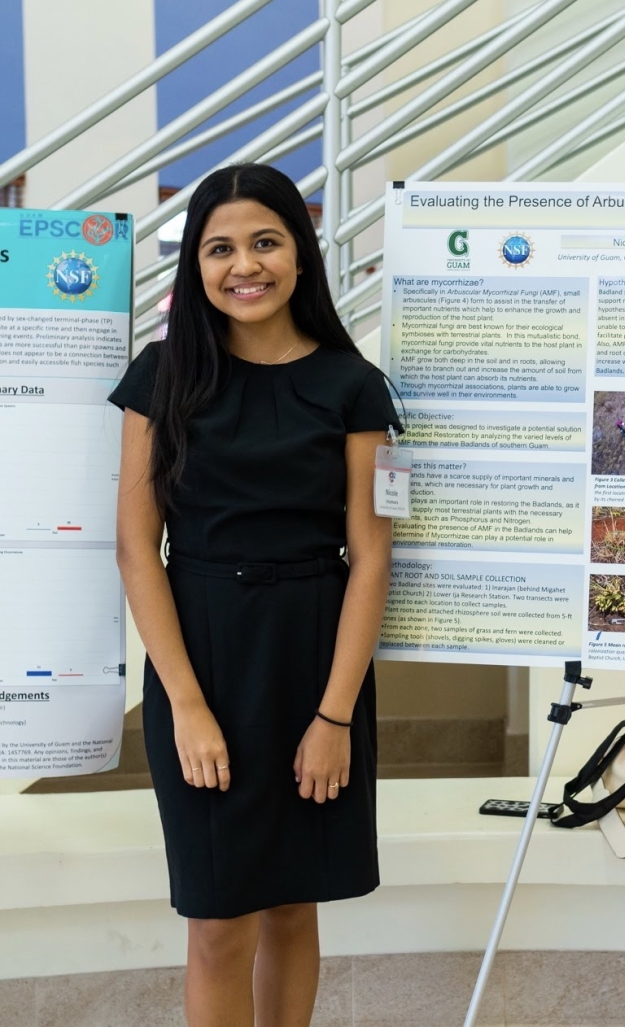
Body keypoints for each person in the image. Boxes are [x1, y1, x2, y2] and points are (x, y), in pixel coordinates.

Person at [110, 163, 399, 1027]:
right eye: (220, 248)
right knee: (217, 923)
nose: (245, 265)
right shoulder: (162, 376)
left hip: (314, 656)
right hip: (202, 656)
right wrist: (187, 706)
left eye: (265, 242)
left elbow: (371, 558)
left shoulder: (353, 385)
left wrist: (334, 718)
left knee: (293, 905)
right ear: (195, 265)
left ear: (300, 255)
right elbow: (136, 549)